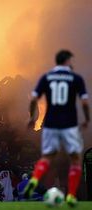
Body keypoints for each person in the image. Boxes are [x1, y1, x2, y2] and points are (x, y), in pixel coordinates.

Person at [24, 50, 90, 206]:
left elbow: (34, 99)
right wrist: (87, 119)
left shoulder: (46, 78)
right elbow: (85, 101)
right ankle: (72, 195)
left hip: (51, 125)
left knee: (48, 159)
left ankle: (33, 185)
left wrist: (31, 118)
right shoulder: (76, 78)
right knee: (73, 161)